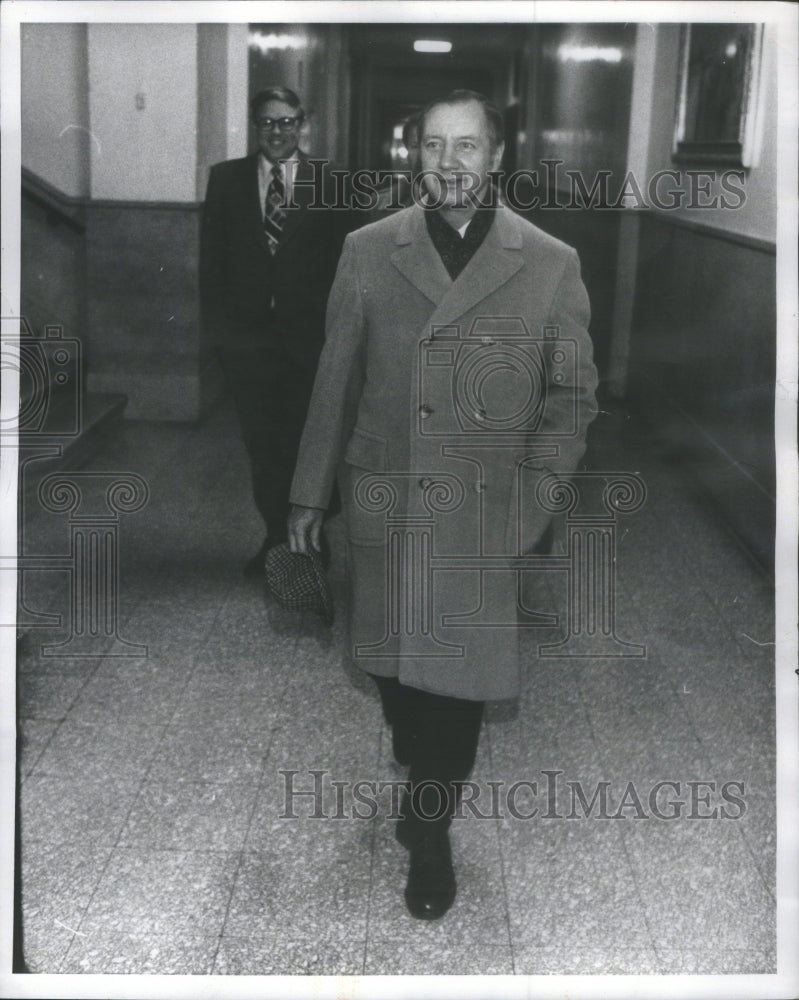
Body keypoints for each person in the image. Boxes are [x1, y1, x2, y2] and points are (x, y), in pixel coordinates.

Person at [288, 90, 599, 919]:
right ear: (413, 155)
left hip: (481, 516)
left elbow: (571, 399)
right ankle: (416, 769)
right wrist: (309, 492)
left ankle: (429, 837)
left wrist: (533, 503)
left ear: (497, 157)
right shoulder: (367, 250)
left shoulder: (546, 261)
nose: (449, 164)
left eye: (467, 147)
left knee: (455, 694)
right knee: (394, 677)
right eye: (433, 146)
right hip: (386, 500)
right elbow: (335, 378)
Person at [200, 86, 347, 576]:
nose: (278, 131)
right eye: (268, 122)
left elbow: (345, 268)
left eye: (287, 122)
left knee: (308, 443)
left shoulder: (331, 181)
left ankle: (311, 537)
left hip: (311, 344)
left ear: (301, 124)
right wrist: (220, 337)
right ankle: (273, 539)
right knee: (262, 445)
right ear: (255, 125)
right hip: (249, 344)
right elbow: (211, 266)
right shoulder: (226, 180)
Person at [372, 112, 421, 217]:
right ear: (406, 149)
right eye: (415, 146)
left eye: (432, 145)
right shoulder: (381, 201)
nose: (422, 155)